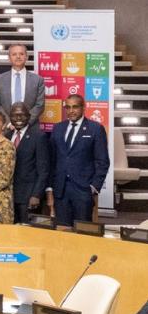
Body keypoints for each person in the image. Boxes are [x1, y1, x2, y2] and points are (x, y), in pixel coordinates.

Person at [51, 94, 110, 226]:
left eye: (75, 107)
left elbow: (102, 161)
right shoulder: (58, 128)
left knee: (83, 233)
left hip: (83, 191)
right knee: (62, 233)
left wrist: (94, 187)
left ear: (83, 108)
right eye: (68, 107)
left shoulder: (95, 129)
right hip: (61, 191)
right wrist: (52, 186)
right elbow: (52, 160)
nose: (71, 111)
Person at [6, 103, 53, 224]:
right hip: (9, 196)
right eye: (15, 115)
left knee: (27, 234)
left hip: (29, 197)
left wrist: (36, 195)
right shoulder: (7, 136)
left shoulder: (39, 136)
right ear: (10, 117)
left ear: (28, 116)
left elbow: (44, 170)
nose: (18, 119)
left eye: (22, 115)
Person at [0, 45, 44, 115]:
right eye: (14, 54)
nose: (18, 57)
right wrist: (9, 123)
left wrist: (25, 122)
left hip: (30, 124)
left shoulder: (38, 80)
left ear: (27, 57)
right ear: (9, 58)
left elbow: (40, 105)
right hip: (6, 124)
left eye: (21, 54)